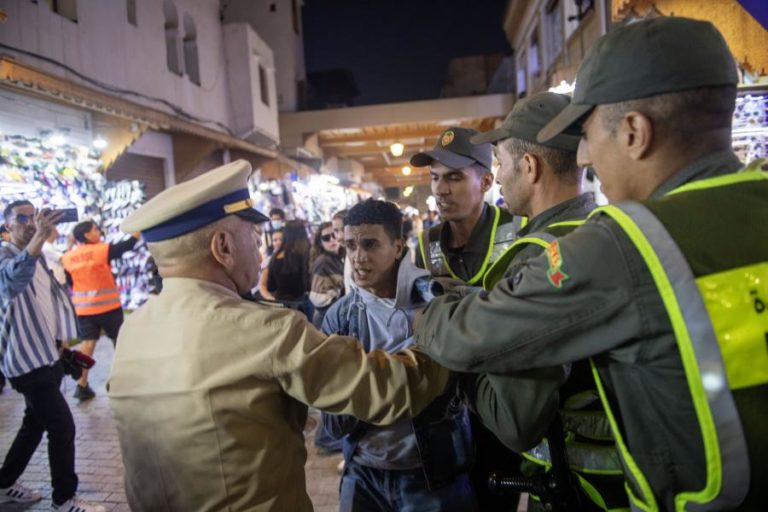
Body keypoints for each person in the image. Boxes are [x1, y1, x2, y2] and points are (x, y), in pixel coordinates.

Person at [415, 16, 767, 511]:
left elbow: (468, 339)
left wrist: (424, 307)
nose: (584, 155)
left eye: (589, 133)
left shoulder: (627, 243)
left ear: (634, 132)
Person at [108, 160, 452, 512]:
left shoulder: (133, 332)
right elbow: (388, 387)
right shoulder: (264, 330)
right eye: (255, 240)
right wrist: (442, 337)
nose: (261, 254)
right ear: (223, 247)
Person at [466, 92, 626, 510]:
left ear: (530, 166)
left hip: (575, 489)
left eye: (500, 162)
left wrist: (466, 368)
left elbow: (516, 423)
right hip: (627, 485)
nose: (498, 177)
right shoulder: (604, 230)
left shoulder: (536, 258)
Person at [322, 199, 476, 512]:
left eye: (370, 244)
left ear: (397, 246)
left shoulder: (435, 302)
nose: (358, 257)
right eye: (351, 245)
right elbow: (332, 420)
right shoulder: (340, 317)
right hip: (363, 470)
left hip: (431, 473)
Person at [410, 126, 524, 510]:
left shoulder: (521, 235)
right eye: (435, 178)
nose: (441, 189)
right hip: (444, 417)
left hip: (501, 412)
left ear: (487, 180)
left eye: (455, 177)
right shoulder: (424, 246)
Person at [0, 200, 105, 511]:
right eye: (22, 218)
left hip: (46, 354)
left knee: (34, 423)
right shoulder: (6, 254)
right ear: (7, 224)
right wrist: (37, 240)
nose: (31, 222)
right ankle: (65, 499)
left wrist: (59, 343)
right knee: (62, 426)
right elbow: (11, 283)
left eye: (36, 217)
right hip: (24, 360)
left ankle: (4, 483)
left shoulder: (41, 257)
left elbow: (43, 305)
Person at [61, 220, 139, 401]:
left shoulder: (68, 257)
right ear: (87, 235)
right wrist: (138, 230)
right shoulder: (100, 250)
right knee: (119, 342)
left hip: (84, 310)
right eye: (95, 229)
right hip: (108, 307)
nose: (99, 232)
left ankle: (82, 385)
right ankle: (123, 382)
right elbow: (126, 246)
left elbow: (71, 282)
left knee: (87, 345)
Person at [266, 220, 313, 319]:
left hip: (282, 305)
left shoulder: (275, 258)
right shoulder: (306, 254)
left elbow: (270, 287)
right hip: (302, 303)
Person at [309, 221, 344, 327]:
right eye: (326, 238)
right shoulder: (323, 261)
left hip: (332, 314)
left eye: (334, 234)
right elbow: (318, 298)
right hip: (326, 316)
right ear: (320, 242)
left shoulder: (338, 258)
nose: (332, 239)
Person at [257, 228, 282, 300]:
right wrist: (271, 299)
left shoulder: (291, 258)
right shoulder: (269, 261)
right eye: (275, 240)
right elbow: (262, 286)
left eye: (281, 239)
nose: (278, 242)